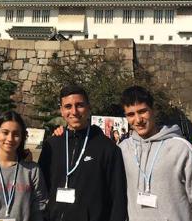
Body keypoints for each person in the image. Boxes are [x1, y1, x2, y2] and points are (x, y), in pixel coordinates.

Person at [119, 86, 192, 221]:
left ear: (153, 110)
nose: (138, 120)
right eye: (131, 114)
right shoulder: (123, 149)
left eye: (142, 111)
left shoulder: (179, 147)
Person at [39, 84, 127, 221]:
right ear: (61, 111)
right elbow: (41, 188)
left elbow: (117, 197)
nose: (74, 111)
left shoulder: (107, 148)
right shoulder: (52, 145)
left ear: (88, 108)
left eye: (79, 105)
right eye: (68, 106)